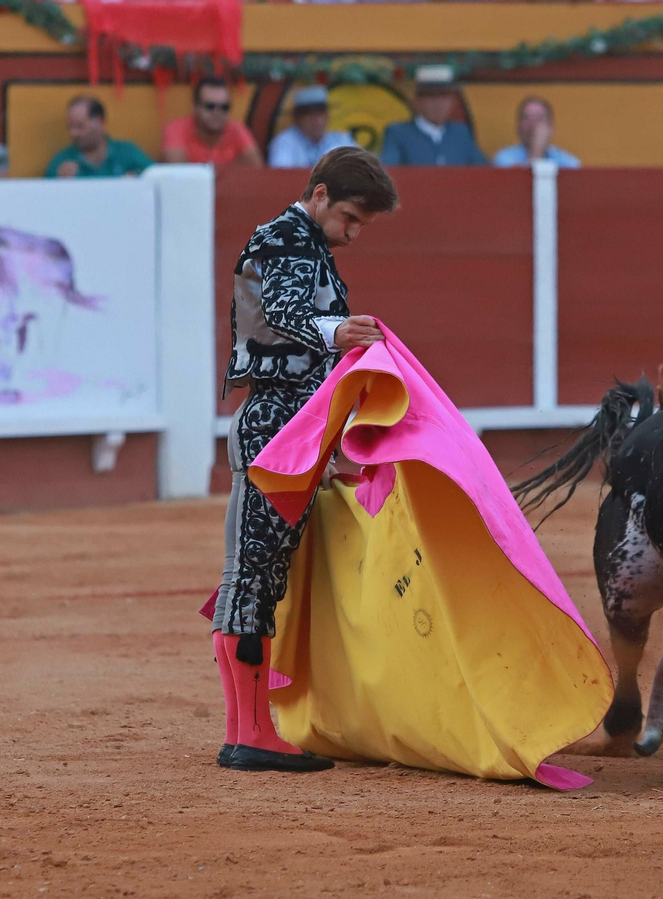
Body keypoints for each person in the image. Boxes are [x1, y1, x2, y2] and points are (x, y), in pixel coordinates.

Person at [213, 146, 399, 772]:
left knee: (259, 579)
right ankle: (250, 735)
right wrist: (336, 331)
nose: (351, 233)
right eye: (348, 218)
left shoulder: (307, 244)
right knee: (251, 579)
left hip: (293, 431)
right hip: (274, 431)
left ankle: (249, 730)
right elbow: (282, 313)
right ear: (318, 195)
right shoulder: (286, 240)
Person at [380, 65, 487, 167]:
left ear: (452, 102)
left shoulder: (460, 133)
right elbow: (390, 171)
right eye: (431, 97)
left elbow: (483, 170)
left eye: (444, 97)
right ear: (417, 102)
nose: (439, 104)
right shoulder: (398, 133)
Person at [163, 77, 263, 168]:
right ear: (194, 108)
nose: (217, 113)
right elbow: (177, 171)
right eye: (210, 106)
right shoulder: (176, 128)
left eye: (224, 107)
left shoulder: (237, 129)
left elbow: (256, 168)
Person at [45, 96, 153, 178]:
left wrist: (138, 179)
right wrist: (59, 185)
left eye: (79, 126)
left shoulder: (128, 153)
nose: (73, 133)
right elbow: (44, 199)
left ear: (99, 122)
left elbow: (156, 177)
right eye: (70, 127)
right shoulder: (61, 161)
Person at [268, 86, 357, 168]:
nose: (317, 121)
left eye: (320, 113)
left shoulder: (341, 140)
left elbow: (362, 171)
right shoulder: (285, 142)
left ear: (327, 116)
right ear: (297, 119)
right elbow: (282, 177)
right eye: (310, 115)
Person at [493, 96, 580, 169]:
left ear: (551, 128)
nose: (533, 125)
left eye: (539, 119)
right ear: (518, 128)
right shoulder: (504, 158)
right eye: (527, 118)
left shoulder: (568, 162)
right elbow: (521, 184)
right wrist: (537, 150)